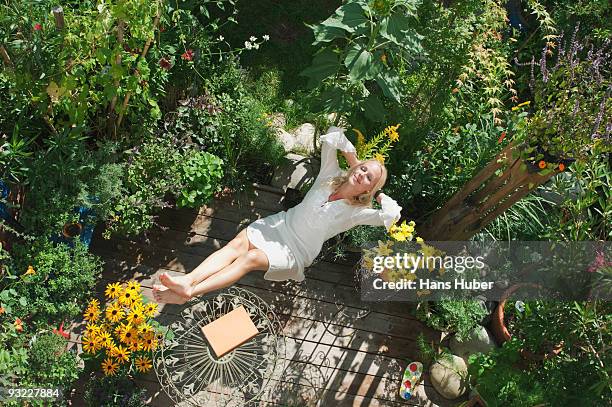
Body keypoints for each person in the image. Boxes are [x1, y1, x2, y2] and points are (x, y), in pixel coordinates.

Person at [153, 126, 402, 304]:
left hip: (295, 252)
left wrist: (378, 196)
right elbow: (333, 135)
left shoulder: (357, 212)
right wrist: (353, 158)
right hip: (280, 225)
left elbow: (391, 215)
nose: (362, 174)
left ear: (369, 187)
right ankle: (188, 281)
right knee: (235, 246)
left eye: (369, 177)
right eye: (363, 169)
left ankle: (191, 292)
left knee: (249, 258)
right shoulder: (329, 174)